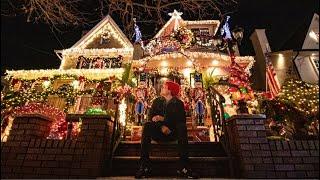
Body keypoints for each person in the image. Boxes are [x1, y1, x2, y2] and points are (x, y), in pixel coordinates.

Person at [135, 81, 199, 179]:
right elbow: (151, 117)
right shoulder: (156, 101)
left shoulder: (179, 103)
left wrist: (163, 119)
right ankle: (144, 166)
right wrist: (161, 126)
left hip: (173, 133)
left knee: (182, 127)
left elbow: (181, 119)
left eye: (164, 87)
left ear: (170, 90)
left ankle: (184, 167)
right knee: (147, 125)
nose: (161, 88)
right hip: (158, 132)